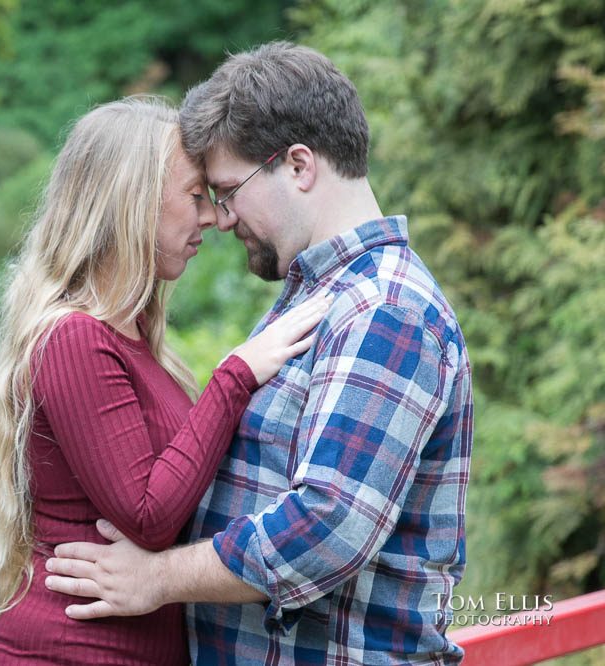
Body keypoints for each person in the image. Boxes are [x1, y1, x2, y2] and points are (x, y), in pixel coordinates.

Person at [44, 42, 474, 665]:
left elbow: (325, 525)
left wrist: (157, 578)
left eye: (227, 190)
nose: (221, 218)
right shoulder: (315, 293)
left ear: (299, 166)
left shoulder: (385, 309)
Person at [0, 97, 331, 664]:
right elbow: (148, 515)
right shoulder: (75, 340)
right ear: (131, 202)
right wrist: (234, 377)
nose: (214, 218)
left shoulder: (130, 337)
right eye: (196, 197)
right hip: (70, 651)